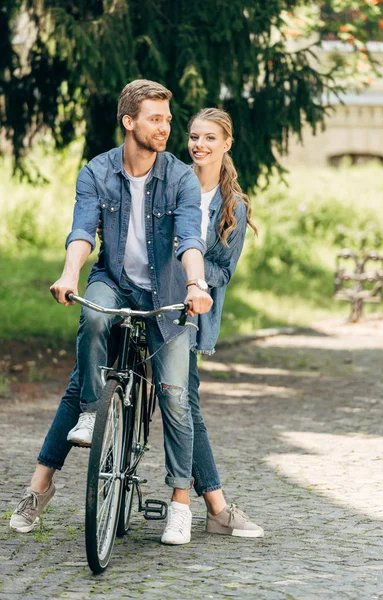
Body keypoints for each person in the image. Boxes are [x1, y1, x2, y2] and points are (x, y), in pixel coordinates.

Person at [10, 79, 213, 545]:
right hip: (113, 280)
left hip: (167, 293)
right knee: (94, 323)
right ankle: (87, 418)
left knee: (176, 395)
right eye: (155, 119)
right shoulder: (98, 171)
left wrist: (196, 284)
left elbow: (189, 239)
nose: (165, 128)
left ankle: (180, 504)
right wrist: (68, 274)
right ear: (129, 121)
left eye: (167, 118)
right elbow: (82, 229)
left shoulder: (179, 176)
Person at [165, 108, 263, 540]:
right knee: (184, 405)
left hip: (191, 314)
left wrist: (198, 278)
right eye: (193, 137)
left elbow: (225, 270)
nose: (199, 145)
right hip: (152, 301)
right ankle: (217, 507)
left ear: (226, 144)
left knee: (184, 404)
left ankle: (208, 506)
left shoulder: (233, 207)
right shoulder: (170, 184)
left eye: (209, 138)